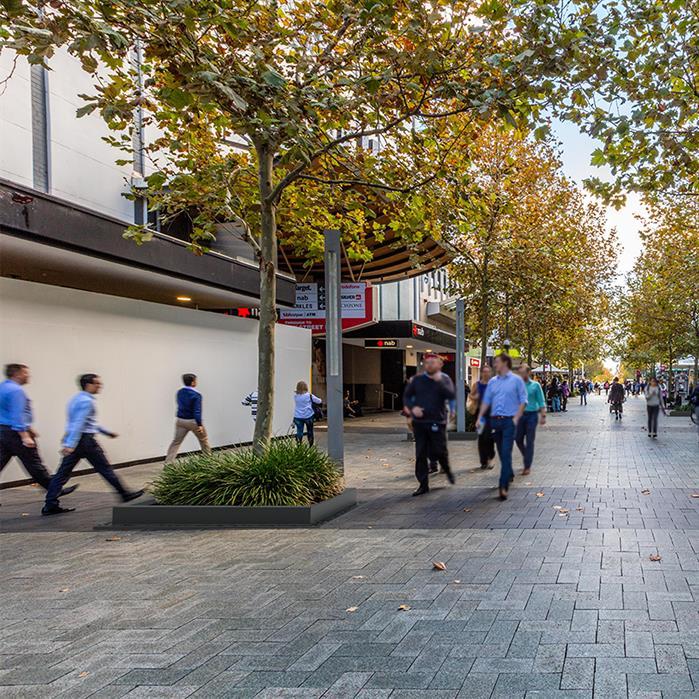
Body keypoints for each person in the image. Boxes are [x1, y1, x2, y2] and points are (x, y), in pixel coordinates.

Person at [43, 374, 143, 515]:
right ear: (88, 385)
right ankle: (124, 494)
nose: (99, 386)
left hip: (77, 440)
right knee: (105, 468)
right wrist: (71, 444)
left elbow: (82, 423)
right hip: (85, 441)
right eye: (97, 383)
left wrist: (105, 432)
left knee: (61, 474)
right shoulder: (87, 402)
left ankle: (50, 504)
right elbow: (79, 424)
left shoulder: (75, 399)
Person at [0, 364, 78, 496]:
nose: (28, 375)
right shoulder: (16, 391)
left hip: (3, 431)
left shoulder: (3, 387)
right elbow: (17, 415)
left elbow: (7, 412)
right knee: (34, 465)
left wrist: (29, 428)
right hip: (16, 434)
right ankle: (54, 490)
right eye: (25, 373)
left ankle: (54, 489)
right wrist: (25, 435)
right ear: (17, 374)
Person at [403, 354, 455, 496]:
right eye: (428, 362)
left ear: (440, 365)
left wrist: (453, 410)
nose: (430, 365)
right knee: (420, 453)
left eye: (433, 362)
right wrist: (411, 410)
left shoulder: (444, 379)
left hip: (438, 421)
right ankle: (423, 484)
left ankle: (444, 467)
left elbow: (450, 395)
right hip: (420, 422)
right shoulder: (417, 380)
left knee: (438, 450)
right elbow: (408, 397)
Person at [477, 353, 527, 501]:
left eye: (497, 362)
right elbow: (486, 400)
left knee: (505, 452)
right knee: (501, 452)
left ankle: (503, 486)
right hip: (495, 422)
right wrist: (480, 416)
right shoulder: (492, 382)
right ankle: (508, 472)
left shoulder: (516, 381)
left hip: (509, 422)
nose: (495, 365)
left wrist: (516, 418)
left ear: (505, 363)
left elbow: (523, 400)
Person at [164, 373, 211, 463]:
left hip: (180, 421)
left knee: (176, 442)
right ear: (192, 382)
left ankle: (168, 463)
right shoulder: (196, 395)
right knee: (203, 440)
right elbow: (197, 411)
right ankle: (209, 461)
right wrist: (199, 424)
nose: (196, 382)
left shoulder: (179, 392)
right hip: (193, 421)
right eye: (195, 380)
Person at [515, 364, 546, 476]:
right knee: (518, 439)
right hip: (520, 415)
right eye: (519, 373)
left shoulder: (535, 385)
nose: (521, 375)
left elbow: (541, 400)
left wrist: (543, 415)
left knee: (529, 440)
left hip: (532, 415)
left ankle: (527, 466)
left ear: (528, 373)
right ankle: (526, 455)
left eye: (523, 372)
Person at [468, 365, 495, 470]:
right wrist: (475, 397)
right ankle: (483, 461)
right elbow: (470, 395)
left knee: (489, 437)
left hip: (491, 413)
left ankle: (491, 457)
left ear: (490, 373)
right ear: (481, 373)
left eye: (488, 372)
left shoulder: (493, 385)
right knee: (481, 437)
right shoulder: (477, 385)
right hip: (480, 414)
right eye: (484, 372)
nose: (486, 374)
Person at [293, 381, 322, 445]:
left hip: (298, 416)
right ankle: (310, 445)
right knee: (310, 431)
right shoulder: (309, 395)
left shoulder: (296, 396)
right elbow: (319, 401)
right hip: (308, 416)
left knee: (299, 431)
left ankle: (299, 445)